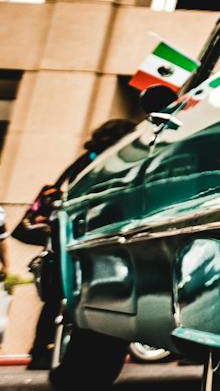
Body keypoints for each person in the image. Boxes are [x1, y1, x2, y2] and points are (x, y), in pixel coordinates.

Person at [12, 117, 138, 369]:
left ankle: (41, 351)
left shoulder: (87, 159)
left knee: (58, 294)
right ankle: (46, 350)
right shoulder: (101, 162)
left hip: (64, 235)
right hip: (75, 234)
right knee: (69, 291)